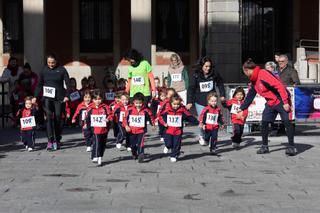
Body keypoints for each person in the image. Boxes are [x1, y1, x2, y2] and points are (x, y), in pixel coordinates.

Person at [238, 58, 297, 156]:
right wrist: (242, 108)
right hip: (271, 103)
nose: (244, 74)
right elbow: (250, 95)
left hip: (281, 100)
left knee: (287, 122)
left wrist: (286, 102)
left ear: (247, 70)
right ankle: (265, 146)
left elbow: (279, 86)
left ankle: (291, 146)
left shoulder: (262, 74)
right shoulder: (254, 80)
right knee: (264, 123)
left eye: (244, 72)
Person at [33, 53, 70, 151]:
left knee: (58, 118)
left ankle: (57, 139)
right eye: (49, 62)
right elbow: (39, 85)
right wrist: (35, 97)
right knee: (49, 118)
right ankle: (50, 141)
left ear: (56, 61)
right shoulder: (43, 70)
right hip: (47, 98)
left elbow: (68, 83)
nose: (51, 64)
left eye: (53, 62)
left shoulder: (62, 69)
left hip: (59, 98)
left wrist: (67, 96)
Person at [186, 56, 225, 146]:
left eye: (209, 66)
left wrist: (222, 95)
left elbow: (220, 83)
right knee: (202, 118)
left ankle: (209, 136)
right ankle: (202, 135)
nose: (208, 68)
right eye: (206, 66)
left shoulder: (214, 73)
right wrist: (189, 101)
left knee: (211, 119)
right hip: (200, 101)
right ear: (201, 66)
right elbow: (191, 88)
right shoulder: (196, 75)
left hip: (212, 100)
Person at [159, 94, 198, 162]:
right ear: (171, 103)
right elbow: (161, 117)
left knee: (176, 144)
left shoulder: (182, 110)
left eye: (177, 104)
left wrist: (197, 122)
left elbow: (189, 116)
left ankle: (174, 155)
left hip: (178, 131)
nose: (176, 106)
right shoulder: (167, 110)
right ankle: (167, 146)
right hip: (168, 130)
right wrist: (164, 123)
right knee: (168, 143)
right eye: (174, 104)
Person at [123, 92, 155, 163]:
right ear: (133, 102)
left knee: (141, 143)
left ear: (143, 102)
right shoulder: (130, 110)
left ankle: (141, 154)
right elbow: (125, 118)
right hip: (131, 130)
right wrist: (126, 125)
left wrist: (153, 125)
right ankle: (134, 153)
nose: (138, 105)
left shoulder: (146, 110)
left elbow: (151, 117)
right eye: (136, 103)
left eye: (140, 103)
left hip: (141, 130)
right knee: (133, 145)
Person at [85, 90, 112, 166]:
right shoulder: (90, 108)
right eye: (95, 99)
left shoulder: (105, 107)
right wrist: (86, 125)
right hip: (95, 129)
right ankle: (96, 156)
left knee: (102, 144)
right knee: (96, 142)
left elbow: (110, 115)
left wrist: (108, 119)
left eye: (99, 99)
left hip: (104, 129)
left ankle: (100, 156)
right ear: (93, 100)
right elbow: (87, 118)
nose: (97, 101)